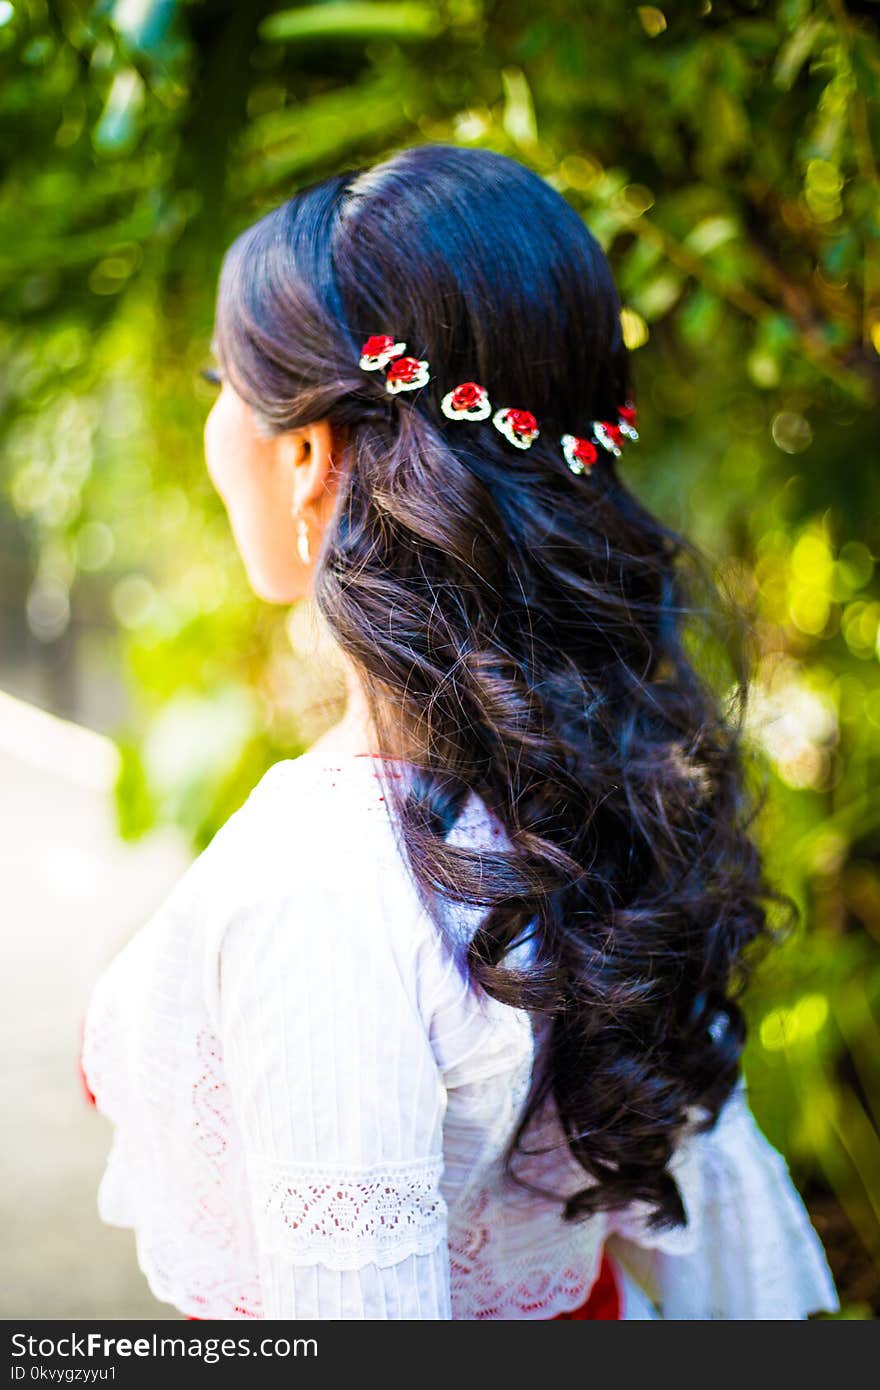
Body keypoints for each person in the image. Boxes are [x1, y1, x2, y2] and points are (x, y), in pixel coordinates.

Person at [81, 143, 839, 1321]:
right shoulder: (603, 792)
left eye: (217, 380)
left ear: (305, 456)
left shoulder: (321, 888)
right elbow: (743, 1273)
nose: (213, 418)